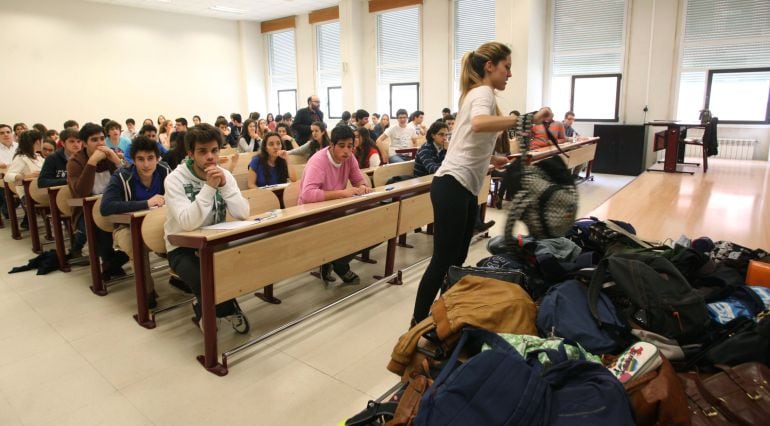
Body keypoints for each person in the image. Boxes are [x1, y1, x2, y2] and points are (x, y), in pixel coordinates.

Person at [412, 42, 513, 324]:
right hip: (452, 185)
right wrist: (520, 119)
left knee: (457, 259)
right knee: (444, 260)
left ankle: (445, 313)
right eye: (507, 66)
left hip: (462, 187)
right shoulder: (482, 92)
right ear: (489, 66)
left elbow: (466, 140)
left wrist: (491, 160)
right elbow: (480, 124)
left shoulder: (476, 94)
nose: (510, 74)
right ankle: (417, 322)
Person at [164, 123, 249, 332]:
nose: (210, 157)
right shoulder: (174, 180)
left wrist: (224, 186)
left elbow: (242, 213)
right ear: (190, 153)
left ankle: (203, 305)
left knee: (241, 266)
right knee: (207, 280)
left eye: (214, 150)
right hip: (181, 246)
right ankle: (222, 309)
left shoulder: (224, 175)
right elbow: (187, 223)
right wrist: (209, 188)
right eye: (203, 152)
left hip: (214, 240)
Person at [100, 136, 171, 308]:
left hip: (159, 224)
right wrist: (146, 203)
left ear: (157, 158)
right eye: (140, 159)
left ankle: (181, 278)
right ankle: (146, 293)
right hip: (127, 228)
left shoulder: (165, 171)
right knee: (136, 245)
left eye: (150, 158)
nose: (146, 164)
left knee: (182, 238)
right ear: (133, 160)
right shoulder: (122, 176)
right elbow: (106, 207)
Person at [299, 125, 371, 285]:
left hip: (335, 209)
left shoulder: (350, 158)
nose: (346, 151)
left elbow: (358, 180)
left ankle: (336, 261)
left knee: (372, 226)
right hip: (312, 213)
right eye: (341, 146)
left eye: (350, 146)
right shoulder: (318, 162)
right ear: (331, 145)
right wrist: (342, 193)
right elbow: (307, 195)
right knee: (355, 229)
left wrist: (363, 187)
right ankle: (340, 264)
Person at [67, 123, 129, 276]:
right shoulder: (75, 162)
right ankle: (109, 262)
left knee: (136, 230)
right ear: (84, 142)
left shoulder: (109, 156)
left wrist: (116, 161)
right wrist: (92, 163)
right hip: (86, 210)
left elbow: (128, 183)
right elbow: (81, 191)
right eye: (94, 140)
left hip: (112, 205)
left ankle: (111, 263)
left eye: (102, 138)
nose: (100, 143)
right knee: (98, 227)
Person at [5, 129, 45, 229]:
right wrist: (25, 177)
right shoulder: (20, 158)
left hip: (41, 189)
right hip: (29, 193)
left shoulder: (38, 156)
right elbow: (7, 176)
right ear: (37, 142)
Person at [0, 124, 18, 218]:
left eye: (8, 132)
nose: (6, 135)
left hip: (17, 177)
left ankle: (27, 220)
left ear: (12, 134)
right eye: (2, 133)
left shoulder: (19, 147)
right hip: (2, 181)